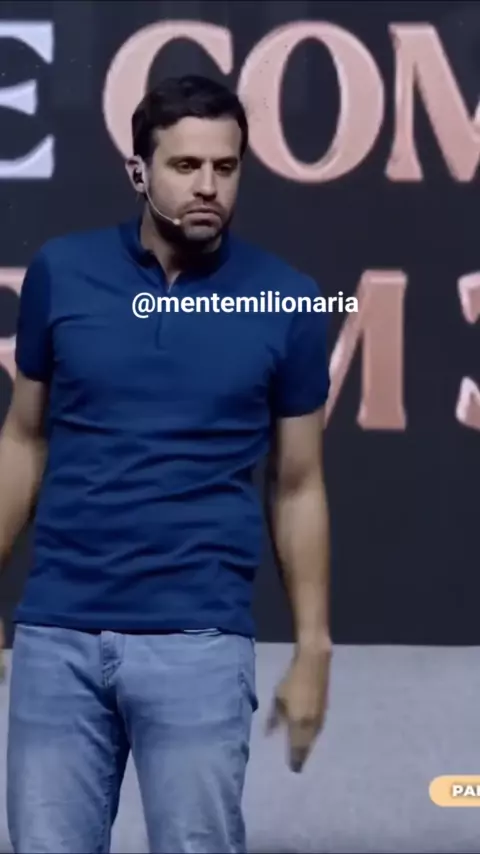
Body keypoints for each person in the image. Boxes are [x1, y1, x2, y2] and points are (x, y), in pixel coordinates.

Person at [0, 75, 333, 854]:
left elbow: (298, 484)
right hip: (57, 634)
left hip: (199, 639)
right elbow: (22, 439)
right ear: (138, 172)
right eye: (186, 166)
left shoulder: (286, 299)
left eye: (226, 167)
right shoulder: (62, 272)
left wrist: (314, 648)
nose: (209, 186)